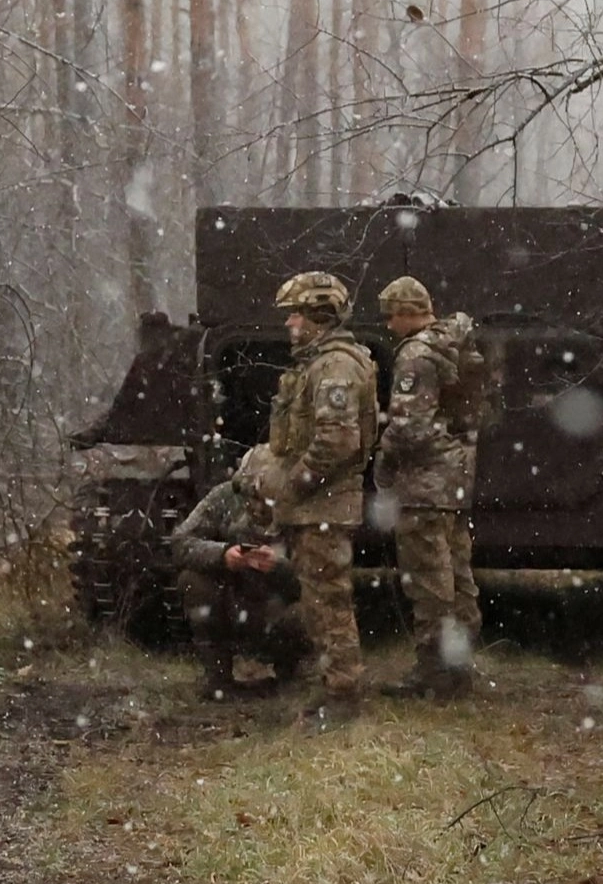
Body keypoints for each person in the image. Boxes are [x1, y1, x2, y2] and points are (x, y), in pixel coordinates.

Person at [255, 269, 377, 713]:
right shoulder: (320, 363)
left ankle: (343, 698)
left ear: (320, 316)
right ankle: (334, 690)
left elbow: (336, 441)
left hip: (322, 504)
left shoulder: (336, 367)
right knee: (318, 603)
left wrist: (294, 486)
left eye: (297, 315)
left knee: (329, 605)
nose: (289, 324)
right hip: (315, 506)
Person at [375, 276, 488, 697]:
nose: (389, 326)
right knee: (458, 578)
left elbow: (408, 427)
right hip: (456, 480)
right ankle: (459, 667)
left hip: (423, 487)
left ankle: (433, 675)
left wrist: (384, 459)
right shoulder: (456, 344)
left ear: (407, 313)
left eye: (391, 316)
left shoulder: (417, 356)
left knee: (429, 582)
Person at [167, 446, 307, 698]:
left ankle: (294, 675)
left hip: (282, 602)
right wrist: (223, 555)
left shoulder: (305, 503)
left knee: (313, 604)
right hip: (236, 596)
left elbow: (318, 571)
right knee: (193, 582)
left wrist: (280, 566)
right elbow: (181, 541)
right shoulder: (226, 497)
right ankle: (219, 679)